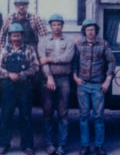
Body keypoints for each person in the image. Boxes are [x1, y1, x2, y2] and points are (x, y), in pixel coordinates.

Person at [72, 19, 116, 155]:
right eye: (87, 30)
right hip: (83, 85)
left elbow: (112, 61)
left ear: (96, 31)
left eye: (92, 29)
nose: (90, 32)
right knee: (84, 116)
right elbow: (74, 63)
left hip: (98, 86)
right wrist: (75, 77)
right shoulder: (79, 45)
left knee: (99, 116)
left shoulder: (103, 44)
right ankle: (84, 145)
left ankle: (99, 145)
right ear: (84, 31)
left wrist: (108, 80)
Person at [0, 23, 39, 155]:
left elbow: (35, 67)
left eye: (18, 35)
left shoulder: (29, 49)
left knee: (26, 116)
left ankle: (27, 145)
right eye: (13, 35)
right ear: (9, 37)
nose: (16, 38)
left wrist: (23, 74)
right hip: (8, 86)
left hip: (25, 87)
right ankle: (4, 144)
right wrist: (8, 74)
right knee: (6, 115)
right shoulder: (5, 50)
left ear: (22, 36)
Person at [38, 14, 75, 155]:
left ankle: (62, 145)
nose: (56, 27)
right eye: (54, 24)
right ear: (50, 26)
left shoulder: (70, 41)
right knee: (47, 111)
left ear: (62, 26)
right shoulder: (43, 41)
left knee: (63, 112)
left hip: (64, 79)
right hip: (47, 80)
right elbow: (42, 62)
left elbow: (68, 58)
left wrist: (49, 58)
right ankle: (49, 144)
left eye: (59, 24)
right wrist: (49, 77)